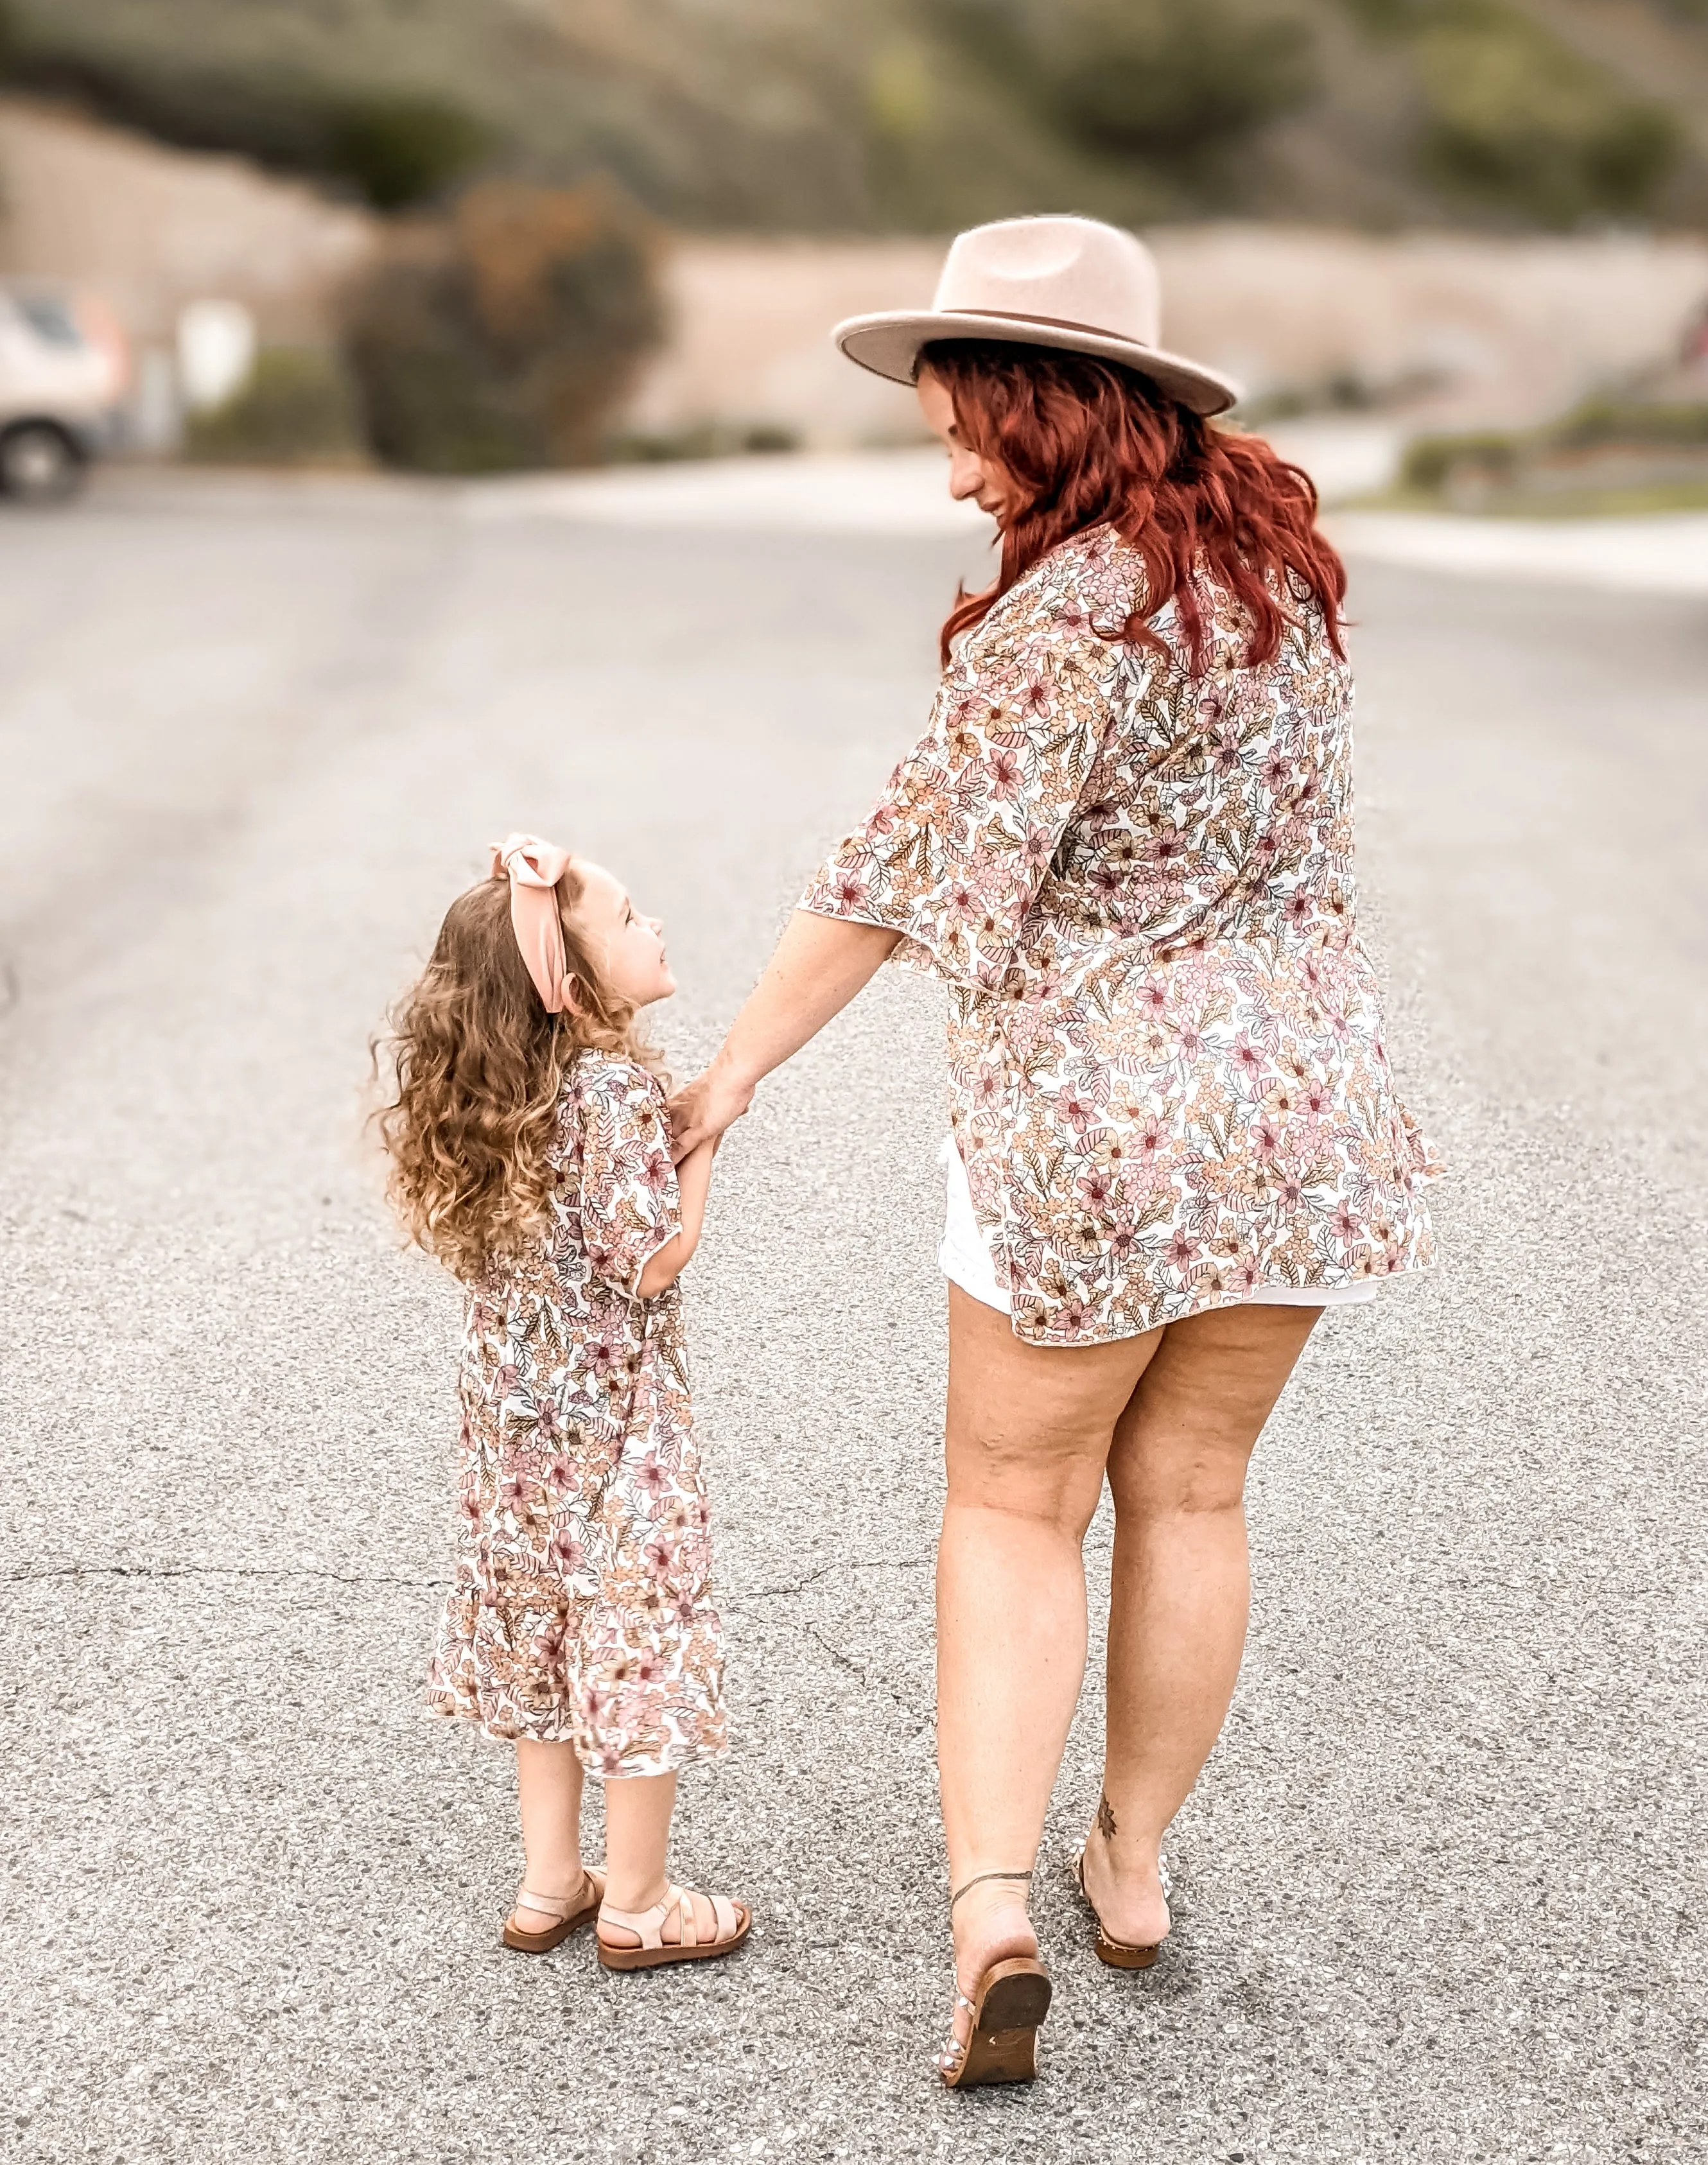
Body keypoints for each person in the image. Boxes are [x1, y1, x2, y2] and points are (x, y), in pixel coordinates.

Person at [670, 216, 1435, 2083]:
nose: (945, 465)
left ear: (1044, 405)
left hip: (1093, 1124)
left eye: (959, 424)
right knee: (1195, 1493)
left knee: (1015, 1504)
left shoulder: (1060, 616)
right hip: (1297, 1114)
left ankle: (993, 1900)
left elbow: (889, 876)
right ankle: (1137, 1860)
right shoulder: (1278, 575)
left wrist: (731, 1073)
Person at [376, 833, 749, 1973]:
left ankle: (550, 1883)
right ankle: (640, 1902)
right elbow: (648, 1260)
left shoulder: (490, 1103)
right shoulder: (615, 1090)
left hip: (514, 1430)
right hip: (619, 1423)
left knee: (541, 1631)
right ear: (574, 987)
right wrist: (705, 1142)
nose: (658, 928)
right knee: (635, 1633)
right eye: (632, 921)